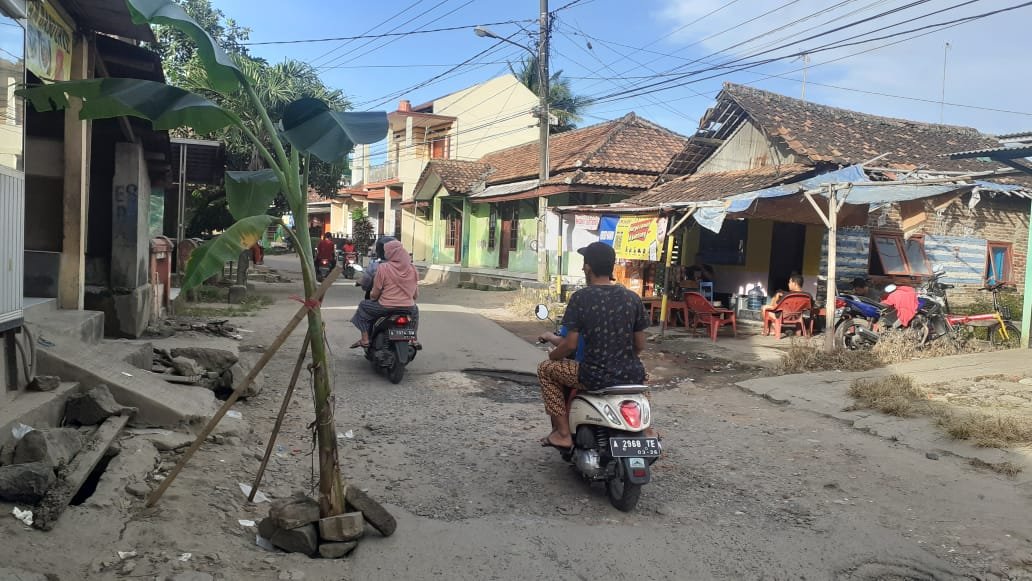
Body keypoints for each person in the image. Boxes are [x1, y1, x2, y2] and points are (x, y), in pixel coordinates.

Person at [537, 242, 649, 449]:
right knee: (642, 379)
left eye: (583, 264)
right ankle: (647, 431)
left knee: (545, 370)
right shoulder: (632, 298)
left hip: (592, 375)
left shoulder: (581, 298)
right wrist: (622, 359)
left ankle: (562, 434)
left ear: (588, 268)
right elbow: (640, 344)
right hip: (632, 374)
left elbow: (570, 345)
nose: (582, 269)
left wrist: (553, 357)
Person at [350, 240, 418, 348]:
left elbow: (374, 294)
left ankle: (365, 339)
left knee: (363, 306)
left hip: (385, 307)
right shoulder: (413, 269)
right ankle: (413, 339)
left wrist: (373, 297)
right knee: (415, 310)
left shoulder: (383, 268)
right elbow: (415, 296)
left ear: (390, 253)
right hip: (408, 307)